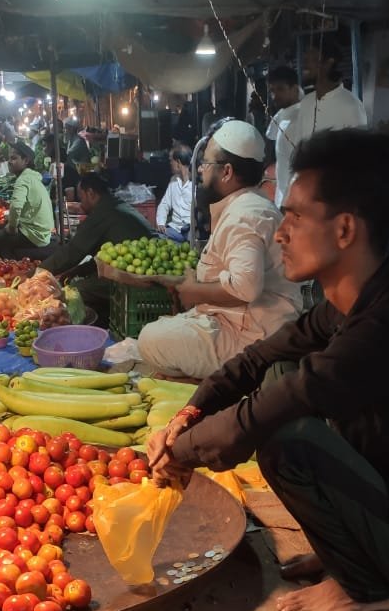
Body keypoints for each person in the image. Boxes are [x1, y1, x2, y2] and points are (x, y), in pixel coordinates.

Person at [147, 130, 389, 611]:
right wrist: (188, 416)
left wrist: (180, 453)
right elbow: (257, 360)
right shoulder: (351, 304)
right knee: (278, 369)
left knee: (285, 438)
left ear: (345, 230)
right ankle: (352, 556)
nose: (280, 233)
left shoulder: (387, 327)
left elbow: (276, 407)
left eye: (295, 215)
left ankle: (369, 586)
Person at [137, 120, 301, 380]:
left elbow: (245, 287)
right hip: (238, 322)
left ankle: (226, 382)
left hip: (252, 334)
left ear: (226, 172)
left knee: (149, 340)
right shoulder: (246, 206)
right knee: (160, 331)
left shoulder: (245, 215)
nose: (200, 170)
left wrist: (194, 291)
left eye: (206, 163)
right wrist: (188, 284)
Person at [43, 173, 154, 319]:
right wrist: (78, 270)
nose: (81, 204)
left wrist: (38, 272)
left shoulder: (103, 213)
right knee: (83, 282)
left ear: (91, 193)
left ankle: (95, 324)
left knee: (77, 290)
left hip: (136, 276)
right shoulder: (115, 205)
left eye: (81, 198)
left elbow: (72, 253)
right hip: (136, 269)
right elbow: (104, 256)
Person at [277, 37, 367, 210]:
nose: (304, 63)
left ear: (328, 62)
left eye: (311, 58)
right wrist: (288, 198)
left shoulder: (350, 105)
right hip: (303, 198)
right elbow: (297, 153)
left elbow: (359, 162)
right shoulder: (307, 103)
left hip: (334, 202)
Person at [0, 142, 54, 255]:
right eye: (9, 158)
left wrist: (12, 227)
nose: (10, 162)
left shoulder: (23, 180)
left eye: (14, 158)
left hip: (33, 236)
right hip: (40, 233)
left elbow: (16, 206)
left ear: (26, 161)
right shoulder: (32, 177)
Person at [265, 66, 304, 207]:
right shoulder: (283, 116)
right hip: (283, 197)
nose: (275, 96)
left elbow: (301, 169)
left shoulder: (302, 118)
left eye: (280, 89)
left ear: (294, 89)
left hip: (294, 201)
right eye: (272, 91)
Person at [156, 145, 193, 241]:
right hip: (175, 229)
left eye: (171, 160)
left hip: (191, 231)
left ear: (178, 162)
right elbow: (164, 204)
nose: (170, 163)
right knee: (157, 237)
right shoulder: (173, 181)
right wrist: (161, 222)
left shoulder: (196, 183)